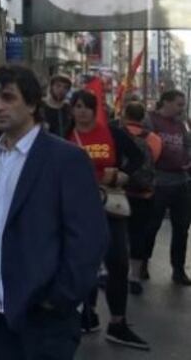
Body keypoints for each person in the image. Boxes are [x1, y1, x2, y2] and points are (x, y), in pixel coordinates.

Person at [0, 65, 108, 360]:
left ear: (32, 103)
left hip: (44, 317)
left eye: (8, 98)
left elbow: (88, 239)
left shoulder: (66, 158)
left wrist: (58, 298)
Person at [67, 90, 149, 349]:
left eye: (86, 107)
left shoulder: (112, 132)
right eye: (77, 106)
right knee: (84, 263)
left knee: (117, 263)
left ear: (95, 109)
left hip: (110, 205)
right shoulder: (65, 134)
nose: (81, 111)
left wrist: (123, 174)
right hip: (77, 207)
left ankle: (118, 322)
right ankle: (87, 315)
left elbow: (137, 157)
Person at [144, 89, 191, 285]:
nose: (182, 108)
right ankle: (142, 263)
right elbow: (143, 146)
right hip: (159, 181)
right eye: (179, 104)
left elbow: (188, 145)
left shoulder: (181, 124)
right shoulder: (151, 120)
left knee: (181, 227)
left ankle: (178, 269)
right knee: (151, 226)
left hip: (180, 181)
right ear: (167, 102)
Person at [121, 102, 162, 295]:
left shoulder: (116, 133)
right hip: (144, 193)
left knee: (116, 234)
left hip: (118, 191)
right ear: (142, 117)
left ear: (125, 113)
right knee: (138, 234)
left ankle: (111, 272)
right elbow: (155, 159)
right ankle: (135, 276)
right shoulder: (153, 138)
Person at [42, 74, 72, 139]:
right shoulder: (40, 106)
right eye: (58, 86)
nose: (61, 89)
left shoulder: (69, 109)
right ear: (51, 87)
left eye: (65, 87)